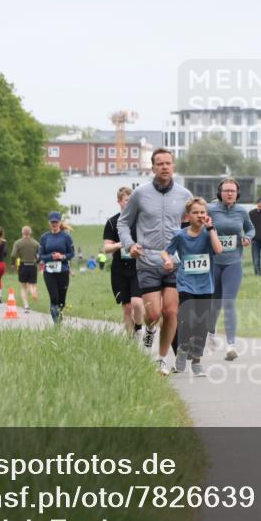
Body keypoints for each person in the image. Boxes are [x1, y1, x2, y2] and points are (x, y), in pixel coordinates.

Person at [118, 148, 192, 375]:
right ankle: (150, 330)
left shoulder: (184, 194)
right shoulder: (140, 194)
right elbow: (123, 222)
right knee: (152, 314)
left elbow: (193, 224)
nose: (164, 167)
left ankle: (161, 358)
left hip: (174, 260)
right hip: (147, 260)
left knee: (170, 312)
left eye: (168, 163)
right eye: (160, 163)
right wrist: (130, 244)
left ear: (173, 166)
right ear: (152, 167)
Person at [162, 197, 224, 377]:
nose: (199, 215)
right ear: (188, 216)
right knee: (187, 320)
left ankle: (197, 361)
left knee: (202, 325)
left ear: (207, 215)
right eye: (195, 213)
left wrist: (211, 229)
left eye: (202, 212)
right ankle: (182, 348)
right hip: (186, 284)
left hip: (206, 286)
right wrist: (167, 260)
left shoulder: (209, 233)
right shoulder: (181, 235)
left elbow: (218, 250)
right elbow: (166, 251)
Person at [207, 178, 255, 360]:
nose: (229, 193)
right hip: (213, 262)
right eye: (226, 190)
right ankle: (211, 334)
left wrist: (248, 238)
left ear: (237, 194)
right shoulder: (211, 209)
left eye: (232, 191)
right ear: (220, 193)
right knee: (214, 303)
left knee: (229, 302)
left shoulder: (241, 211)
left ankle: (231, 346)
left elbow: (251, 229)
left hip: (233, 262)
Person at [104, 186, 145, 338]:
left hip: (138, 268)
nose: (129, 203)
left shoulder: (140, 220)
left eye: (131, 200)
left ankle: (139, 328)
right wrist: (121, 244)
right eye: (126, 200)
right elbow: (106, 248)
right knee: (127, 308)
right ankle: (130, 341)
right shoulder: (112, 222)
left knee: (137, 303)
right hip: (119, 270)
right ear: (119, 202)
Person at [39, 211, 75, 323]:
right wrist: (51, 256)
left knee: (61, 301)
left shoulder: (66, 237)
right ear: (49, 223)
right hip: (49, 271)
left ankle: (59, 318)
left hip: (63, 270)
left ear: (59, 222)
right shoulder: (44, 237)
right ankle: (57, 324)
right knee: (54, 298)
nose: (54, 224)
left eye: (56, 222)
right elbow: (41, 256)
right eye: (52, 222)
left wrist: (62, 256)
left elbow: (72, 254)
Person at [9, 226, 40, 312]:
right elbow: (40, 254)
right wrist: (37, 262)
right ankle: (33, 292)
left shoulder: (18, 243)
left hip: (23, 265)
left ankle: (26, 305)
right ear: (30, 232)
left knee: (23, 287)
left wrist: (13, 263)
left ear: (22, 232)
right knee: (32, 284)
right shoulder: (36, 243)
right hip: (32, 265)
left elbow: (13, 255)